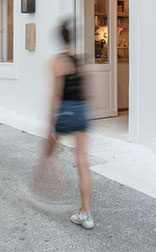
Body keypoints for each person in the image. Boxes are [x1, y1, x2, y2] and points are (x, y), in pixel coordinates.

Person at [39, 20, 94, 229]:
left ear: (59, 38)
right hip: (82, 110)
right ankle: (86, 214)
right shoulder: (82, 60)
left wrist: (52, 124)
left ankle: (42, 189)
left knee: (49, 151)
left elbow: (57, 93)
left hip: (66, 109)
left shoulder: (57, 61)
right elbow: (88, 91)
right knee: (82, 161)